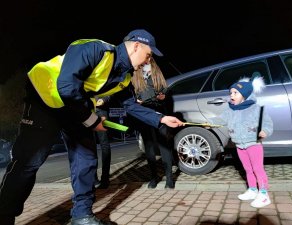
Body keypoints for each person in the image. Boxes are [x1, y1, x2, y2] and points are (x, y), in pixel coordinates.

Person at [0, 29, 184, 225]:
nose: (148, 61)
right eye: (148, 55)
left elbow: (130, 106)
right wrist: (92, 120)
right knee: (29, 161)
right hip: (45, 100)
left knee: (86, 159)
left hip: (75, 106)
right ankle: (4, 213)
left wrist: (162, 119)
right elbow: (66, 85)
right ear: (136, 45)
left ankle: (81, 215)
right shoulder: (95, 49)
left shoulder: (125, 77)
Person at [208, 74, 273, 208]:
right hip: (239, 144)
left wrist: (264, 131)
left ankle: (264, 194)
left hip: (253, 143)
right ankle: (253, 190)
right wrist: (210, 123)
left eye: (235, 93)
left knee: (257, 168)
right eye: (231, 92)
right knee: (248, 169)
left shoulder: (255, 108)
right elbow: (220, 119)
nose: (231, 95)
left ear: (245, 94)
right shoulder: (230, 110)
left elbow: (267, 123)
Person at [131, 57, 175, 189]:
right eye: (145, 59)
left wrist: (163, 96)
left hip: (158, 111)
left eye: (149, 60)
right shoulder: (135, 76)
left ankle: (169, 178)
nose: (146, 61)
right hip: (144, 113)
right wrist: (136, 101)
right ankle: (153, 178)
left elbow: (166, 92)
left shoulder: (157, 75)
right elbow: (132, 95)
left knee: (164, 145)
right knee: (149, 146)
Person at [94, 97, 111, 189]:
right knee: (90, 146)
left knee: (104, 145)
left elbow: (110, 88)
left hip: (100, 110)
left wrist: (104, 99)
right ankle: (93, 179)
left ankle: (105, 178)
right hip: (86, 112)